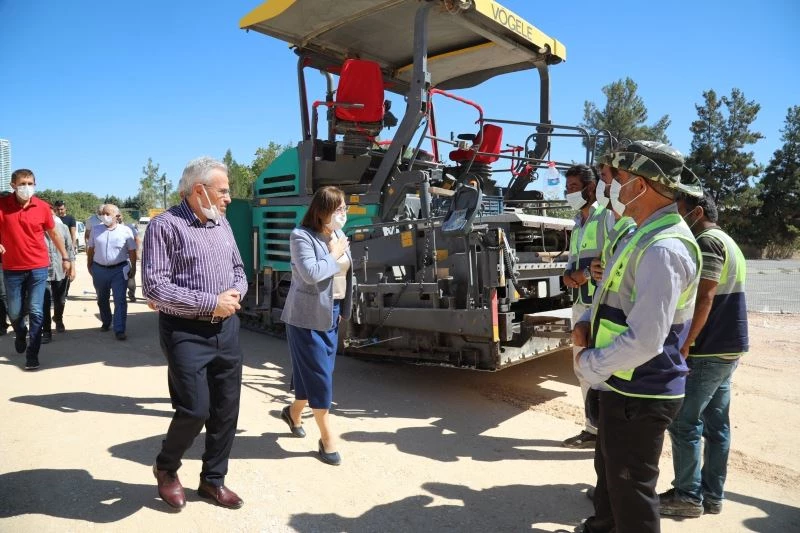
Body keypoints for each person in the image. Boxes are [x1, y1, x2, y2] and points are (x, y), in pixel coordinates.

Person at [572, 141, 703, 533]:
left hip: (641, 392)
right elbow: (618, 297)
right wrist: (589, 325)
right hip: (623, 385)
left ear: (641, 185)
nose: (612, 186)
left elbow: (646, 339)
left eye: (620, 178)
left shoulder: (664, 248)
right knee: (612, 480)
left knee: (632, 495)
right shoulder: (641, 234)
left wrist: (589, 365)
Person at [143, 156, 247, 510]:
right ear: (199, 190)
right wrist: (210, 302)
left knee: (226, 410)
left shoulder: (222, 223)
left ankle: (212, 481)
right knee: (195, 409)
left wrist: (234, 295)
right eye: (223, 190)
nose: (228, 198)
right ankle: (166, 467)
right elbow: (155, 288)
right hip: (185, 332)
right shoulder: (165, 226)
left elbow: (238, 269)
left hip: (227, 329)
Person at [659, 191, 749, 518]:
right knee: (716, 425)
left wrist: (686, 343)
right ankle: (711, 496)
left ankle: (687, 496)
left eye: (679, 211)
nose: (676, 218)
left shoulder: (707, 241)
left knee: (684, 423)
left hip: (709, 348)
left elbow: (705, 296)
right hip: (729, 346)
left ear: (697, 212)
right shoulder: (728, 241)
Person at [281, 185, 353, 466]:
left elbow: (346, 274)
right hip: (306, 317)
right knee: (320, 376)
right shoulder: (301, 236)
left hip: (332, 313)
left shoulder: (338, 235)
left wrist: (344, 308)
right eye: (339, 208)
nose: (343, 213)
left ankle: (293, 412)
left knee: (316, 373)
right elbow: (311, 274)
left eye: (345, 208)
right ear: (322, 210)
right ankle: (327, 438)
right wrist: (333, 254)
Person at [561, 164, 615, 449]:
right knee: (582, 369)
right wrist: (571, 276)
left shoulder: (606, 217)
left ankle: (608, 432)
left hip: (601, 306)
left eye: (573, 187)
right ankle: (592, 429)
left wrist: (583, 275)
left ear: (590, 188)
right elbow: (570, 268)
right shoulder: (576, 226)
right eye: (567, 187)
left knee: (602, 371)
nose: (568, 192)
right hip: (580, 305)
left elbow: (613, 259)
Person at [0, 169, 72, 370]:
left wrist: (65, 257)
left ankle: (32, 354)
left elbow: (54, 234)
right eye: (22, 183)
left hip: (38, 267)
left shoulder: (42, 207)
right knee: (14, 312)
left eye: (30, 183)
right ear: (13, 185)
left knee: (36, 310)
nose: (27, 187)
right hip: (12, 268)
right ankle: (20, 332)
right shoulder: (2, 206)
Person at [87, 204, 136, 340]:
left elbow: (132, 251)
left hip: (119, 270)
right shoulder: (96, 230)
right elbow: (90, 249)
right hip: (99, 270)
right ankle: (106, 321)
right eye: (102, 214)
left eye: (108, 214)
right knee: (102, 299)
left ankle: (119, 329)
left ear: (117, 215)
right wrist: (89, 264)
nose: (104, 216)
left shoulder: (125, 231)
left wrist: (133, 268)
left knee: (120, 300)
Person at [42, 210, 75, 343]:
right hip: (42, 271)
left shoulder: (63, 228)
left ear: (54, 215)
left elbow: (70, 249)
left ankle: (58, 318)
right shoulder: (36, 229)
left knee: (60, 299)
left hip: (61, 269)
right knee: (44, 302)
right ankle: (46, 331)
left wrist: (73, 268)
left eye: (50, 214)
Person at [117, 213, 141, 302]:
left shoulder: (129, 227)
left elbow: (136, 239)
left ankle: (131, 293)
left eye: (119, 216)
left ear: (122, 217)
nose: (118, 218)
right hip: (116, 259)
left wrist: (136, 252)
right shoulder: (109, 228)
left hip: (128, 257)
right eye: (116, 216)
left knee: (130, 277)